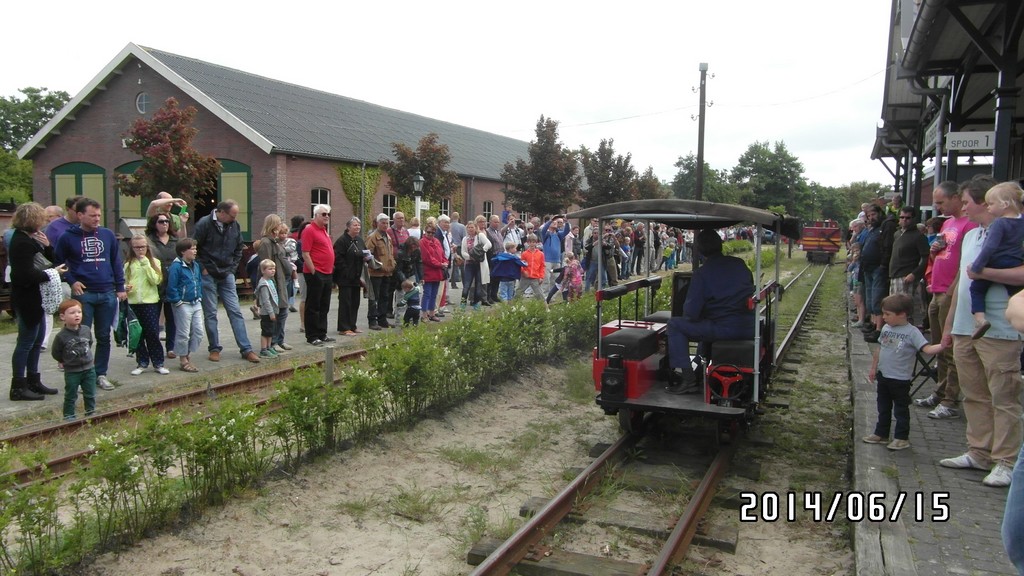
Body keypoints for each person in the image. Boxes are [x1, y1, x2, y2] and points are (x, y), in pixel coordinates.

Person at [938, 179, 1022, 488]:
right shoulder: (972, 235)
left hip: (1000, 329)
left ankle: (1006, 460)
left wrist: (985, 272)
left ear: (985, 204)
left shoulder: (1016, 233)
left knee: (1004, 396)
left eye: (966, 202)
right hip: (965, 329)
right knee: (974, 394)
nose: (962, 207)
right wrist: (949, 328)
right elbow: (961, 283)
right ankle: (979, 451)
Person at [914, 178, 984, 418]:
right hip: (937, 290)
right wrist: (935, 251)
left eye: (941, 202)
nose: (937, 207)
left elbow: (967, 262)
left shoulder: (971, 226)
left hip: (951, 292)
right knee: (939, 348)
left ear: (956, 198)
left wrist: (953, 289)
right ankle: (940, 389)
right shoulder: (948, 224)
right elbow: (946, 253)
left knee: (951, 349)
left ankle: (950, 399)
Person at [666, 229, 755, 393]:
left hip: (724, 329)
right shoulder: (739, 264)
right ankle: (700, 366)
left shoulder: (702, 274)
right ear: (721, 245)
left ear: (699, 250)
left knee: (674, 325)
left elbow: (691, 313)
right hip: (749, 327)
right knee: (707, 324)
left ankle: (688, 379)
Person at [54, 197, 127, 392]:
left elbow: (116, 261)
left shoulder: (107, 235)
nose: (97, 219)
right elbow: (59, 264)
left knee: (104, 336)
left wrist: (120, 286)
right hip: (84, 294)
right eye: (92, 215)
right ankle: (79, 374)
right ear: (80, 215)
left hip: (107, 292)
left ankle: (100, 374)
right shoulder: (67, 237)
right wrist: (72, 280)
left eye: (99, 215)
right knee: (81, 337)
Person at [863, 294, 946, 450]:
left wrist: (943, 345)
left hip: (900, 379)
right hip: (884, 375)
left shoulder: (912, 332)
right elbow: (879, 349)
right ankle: (881, 433)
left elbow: (927, 349)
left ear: (902, 314)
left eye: (888, 314)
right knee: (883, 406)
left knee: (901, 409)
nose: (884, 317)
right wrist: (874, 368)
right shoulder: (886, 328)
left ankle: (901, 437)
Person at [10, 202, 67, 400]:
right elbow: (24, 275)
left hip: (37, 298)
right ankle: (18, 385)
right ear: (32, 220)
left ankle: (34, 381)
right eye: (41, 219)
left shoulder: (31, 240)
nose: (44, 223)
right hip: (27, 298)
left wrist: (48, 246)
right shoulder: (21, 243)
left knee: (36, 341)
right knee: (26, 342)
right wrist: (53, 274)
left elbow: (52, 260)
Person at [191, 200, 259, 363]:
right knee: (211, 313)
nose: (234, 219)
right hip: (208, 273)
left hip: (227, 273)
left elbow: (238, 248)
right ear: (221, 212)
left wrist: (232, 268)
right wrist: (203, 268)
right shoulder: (204, 224)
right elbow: (194, 247)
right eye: (232, 215)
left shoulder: (233, 225)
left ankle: (246, 349)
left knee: (235, 311)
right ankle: (214, 348)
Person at [968, 181, 1024, 339]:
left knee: (977, 289)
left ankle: (980, 319)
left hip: (996, 260)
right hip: (1015, 262)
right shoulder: (1022, 221)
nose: (988, 207)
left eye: (991, 203)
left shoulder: (999, 223)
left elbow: (989, 247)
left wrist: (977, 267)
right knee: (1016, 293)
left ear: (1005, 204)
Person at [124, 235, 168, 375]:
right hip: (133, 302)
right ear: (132, 248)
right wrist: (125, 287)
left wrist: (146, 264)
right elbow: (124, 280)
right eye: (137, 247)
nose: (140, 250)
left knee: (152, 333)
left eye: (142, 247)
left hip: (150, 303)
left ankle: (158, 362)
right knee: (138, 333)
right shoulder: (128, 264)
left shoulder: (154, 262)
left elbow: (156, 280)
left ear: (147, 247)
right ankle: (142, 362)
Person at [50, 299, 96, 420]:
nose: (76, 315)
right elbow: (56, 352)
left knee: (90, 393)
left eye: (79, 312)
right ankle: (69, 416)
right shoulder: (61, 336)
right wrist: (64, 360)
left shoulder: (86, 330)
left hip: (89, 369)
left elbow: (89, 343)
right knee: (71, 394)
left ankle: (91, 412)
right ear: (62, 316)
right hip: (72, 371)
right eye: (72, 313)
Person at [166, 238, 204, 372]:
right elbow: (172, 286)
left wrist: (199, 296)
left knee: (198, 331)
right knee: (183, 333)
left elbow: (198, 281)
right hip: (183, 304)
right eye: (192, 249)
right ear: (183, 251)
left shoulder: (196, 265)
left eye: (195, 248)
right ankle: (183, 360)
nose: (195, 251)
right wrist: (178, 301)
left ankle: (188, 354)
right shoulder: (176, 266)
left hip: (195, 302)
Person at [256, 217, 293, 353]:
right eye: (278, 222)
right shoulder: (266, 243)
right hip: (274, 282)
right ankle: (274, 342)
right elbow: (266, 264)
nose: (280, 225)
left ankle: (280, 340)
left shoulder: (276, 242)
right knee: (277, 312)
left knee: (283, 311)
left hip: (282, 279)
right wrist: (270, 282)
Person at [887, 206, 929, 324]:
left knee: (904, 308)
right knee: (893, 307)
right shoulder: (897, 234)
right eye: (902, 217)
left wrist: (914, 274)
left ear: (914, 219)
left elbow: (926, 258)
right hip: (894, 274)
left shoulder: (918, 236)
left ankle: (907, 333)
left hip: (907, 276)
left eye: (908, 218)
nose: (904, 220)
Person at [301, 205, 335, 346]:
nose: (327, 216)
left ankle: (322, 332)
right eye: (323, 214)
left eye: (328, 214)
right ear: (315, 215)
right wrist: (314, 271)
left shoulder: (324, 230)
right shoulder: (310, 230)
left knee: (324, 305)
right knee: (313, 305)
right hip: (316, 273)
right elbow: (305, 253)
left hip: (327, 272)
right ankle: (312, 335)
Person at [146, 214, 178, 358]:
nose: (164, 224)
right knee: (152, 319)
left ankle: (171, 347)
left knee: (172, 318)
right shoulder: (150, 241)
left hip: (172, 283)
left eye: (167, 221)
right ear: (155, 224)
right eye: (161, 221)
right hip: (155, 283)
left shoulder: (174, 240)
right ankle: (154, 348)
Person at [333, 216, 368, 336]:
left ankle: (352, 325)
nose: (357, 227)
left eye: (359, 225)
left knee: (355, 302)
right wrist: (346, 271)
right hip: (345, 278)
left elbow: (364, 252)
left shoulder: (360, 240)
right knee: (345, 303)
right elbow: (337, 258)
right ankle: (344, 327)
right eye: (355, 225)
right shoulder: (342, 241)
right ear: (348, 227)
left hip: (356, 277)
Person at [366, 213, 397, 329]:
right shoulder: (373, 236)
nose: (385, 225)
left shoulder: (387, 237)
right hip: (376, 273)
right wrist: (377, 266)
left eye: (387, 223)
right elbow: (368, 254)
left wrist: (393, 264)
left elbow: (391, 253)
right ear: (377, 223)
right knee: (374, 297)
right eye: (383, 223)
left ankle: (382, 319)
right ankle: (372, 321)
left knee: (385, 296)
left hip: (387, 272)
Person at [419, 218, 447, 322]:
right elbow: (427, 258)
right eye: (428, 232)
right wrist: (440, 264)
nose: (430, 234)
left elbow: (442, 254)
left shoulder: (436, 241)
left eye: (432, 232)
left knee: (434, 293)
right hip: (428, 271)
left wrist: (445, 262)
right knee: (427, 293)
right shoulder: (422, 242)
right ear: (425, 231)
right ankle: (424, 314)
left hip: (438, 271)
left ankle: (432, 313)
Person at [459, 221, 491, 311]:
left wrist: (481, 252)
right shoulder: (465, 239)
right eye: (468, 227)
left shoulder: (480, 236)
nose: (470, 229)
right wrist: (470, 257)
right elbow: (463, 251)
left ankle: (476, 303)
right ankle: (463, 303)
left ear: (475, 228)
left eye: (472, 227)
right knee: (467, 284)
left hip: (479, 264)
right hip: (469, 264)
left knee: (478, 285)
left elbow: (489, 244)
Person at [254, 259, 279, 358]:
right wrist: (271, 313)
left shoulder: (270, 281)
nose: (273, 271)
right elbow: (266, 300)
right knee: (266, 331)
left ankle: (269, 347)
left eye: (274, 269)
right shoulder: (264, 284)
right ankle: (263, 349)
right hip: (267, 312)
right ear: (263, 270)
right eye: (270, 269)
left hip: (273, 310)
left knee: (271, 331)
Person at [515, 234, 547, 308]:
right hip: (525, 277)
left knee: (540, 294)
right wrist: (523, 271)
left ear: (536, 243)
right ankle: (513, 307)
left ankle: (546, 309)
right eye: (530, 242)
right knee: (518, 292)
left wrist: (541, 277)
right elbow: (521, 264)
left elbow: (542, 266)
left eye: (534, 242)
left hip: (535, 277)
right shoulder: (524, 254)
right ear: (527, 243)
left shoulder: (541, 254)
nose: (532, 244)